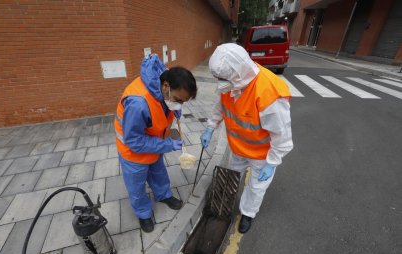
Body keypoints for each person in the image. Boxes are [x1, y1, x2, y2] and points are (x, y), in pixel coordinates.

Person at [200, 43, 293, 233]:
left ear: (237, 74)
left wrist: (272, 162)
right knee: (232, 176)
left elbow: (281, 135)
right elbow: (221, 105)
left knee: (256, 187)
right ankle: (224, 204)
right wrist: (210, 126)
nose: (219, 83)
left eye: (221, 78)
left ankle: (248, 213)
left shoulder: (269, 93)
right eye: (217, 78)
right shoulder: (232, 82)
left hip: (261, 155)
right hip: (238, 148)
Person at [114, 54, 197, 233]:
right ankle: (143, 213)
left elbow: (161, 109)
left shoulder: (165, 86)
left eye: (183, 102)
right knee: (136, 185)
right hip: (133, 153)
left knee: (158, 172)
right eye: (178, 100)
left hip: (153, 144)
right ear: (166, 87)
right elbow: (134, 141)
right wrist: (167, 145)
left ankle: (163, 195)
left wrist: (173, 111)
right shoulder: (138, 103)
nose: (180, 104)